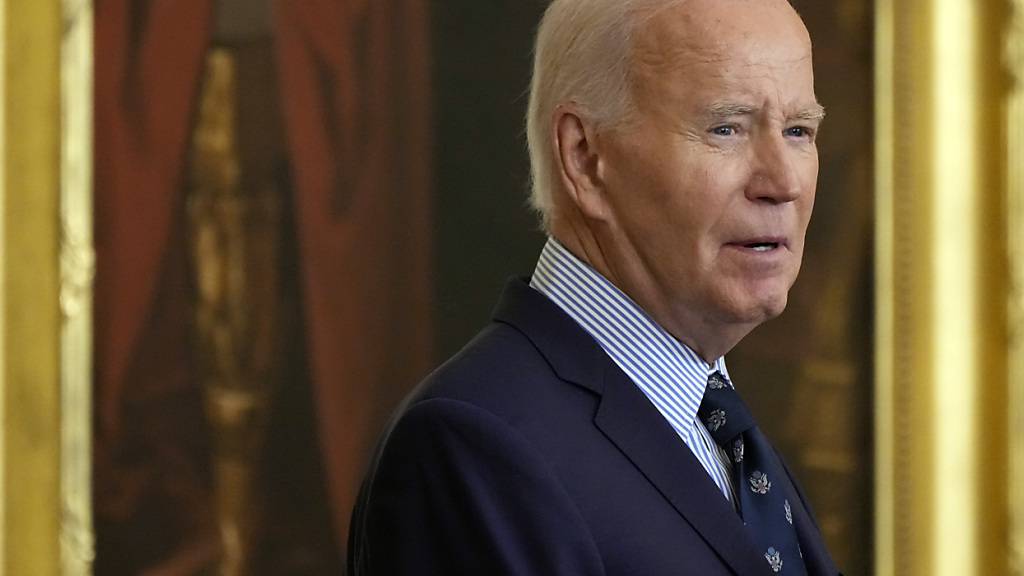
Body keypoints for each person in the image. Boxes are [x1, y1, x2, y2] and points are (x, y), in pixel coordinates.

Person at [348, 0, 839, 573]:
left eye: (799, 130)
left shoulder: (721, 433)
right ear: (583, 157)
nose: (782, 182)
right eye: (726, 128)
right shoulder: (469, 446)